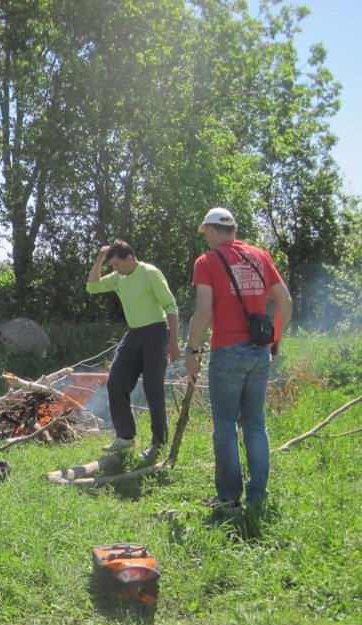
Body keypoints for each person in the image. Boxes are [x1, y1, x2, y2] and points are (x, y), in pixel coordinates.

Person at [185, 207, 292, 514]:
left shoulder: (206, 262)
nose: (206, 239)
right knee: (256, 424)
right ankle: (257, 497)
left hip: (227, 352)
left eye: (206, 233)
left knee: (225, 426)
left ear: (213, 230)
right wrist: (276, 339)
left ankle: (229, 498)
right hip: (259, 352)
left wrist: (192, 352)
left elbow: (204, 312)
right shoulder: (259, 255)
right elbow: (284, 299)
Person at [86, 240, 180, 460]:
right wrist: (100, 259)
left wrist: (173, 342)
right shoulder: (119, 277)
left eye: (117, 264)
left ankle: (159, 444)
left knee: (152, 388)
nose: (115, 269)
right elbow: (92, 286)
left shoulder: (150, 273)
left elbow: (171, 306)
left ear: (130, 258)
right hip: (134, 333)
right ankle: (125, 437)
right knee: (116, 381)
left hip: (156, 332)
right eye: (113, 266)